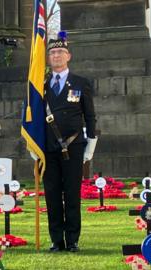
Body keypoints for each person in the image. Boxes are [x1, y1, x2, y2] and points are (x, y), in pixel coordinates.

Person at [42, 32, 97, 253]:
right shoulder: (40, 85)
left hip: (73, 146)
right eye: (52, 52)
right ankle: (57, 240)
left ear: (68, 56)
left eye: (60, 52)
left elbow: (90, 116)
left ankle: (72, 239)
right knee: (52, 195)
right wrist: (32, 146)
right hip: (47, 147)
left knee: (72, 194)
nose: (56, 56)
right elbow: (33, 118)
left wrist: (91, 143)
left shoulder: (81, 83)